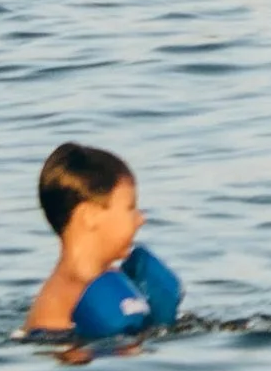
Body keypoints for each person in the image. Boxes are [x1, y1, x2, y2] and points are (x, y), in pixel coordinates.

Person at [25, 142, 183, 342]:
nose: (141, 219)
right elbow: (71, 365)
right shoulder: (67, 294)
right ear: (89, 216)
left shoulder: (111, 279)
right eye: (130, 208)